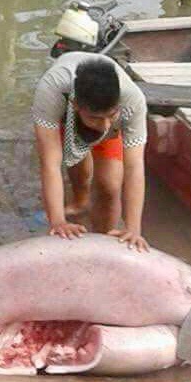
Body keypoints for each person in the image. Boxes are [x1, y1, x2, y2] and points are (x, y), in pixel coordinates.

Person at [32, 51, 149, 252]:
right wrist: (57, 221)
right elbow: (50, 163)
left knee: (110, 185)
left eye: (109, 115)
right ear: (76, 106)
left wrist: (133, 229)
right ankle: (80, 202)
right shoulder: (51, 91)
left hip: (111, 117)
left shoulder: (133, 101)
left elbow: (134, 166)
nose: (103, 125)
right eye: (96, 118)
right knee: (77, 163)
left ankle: (105, 238)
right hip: (68, 113)